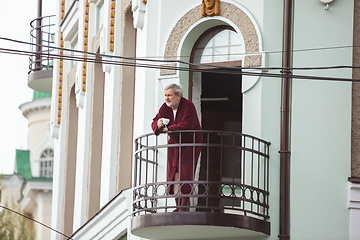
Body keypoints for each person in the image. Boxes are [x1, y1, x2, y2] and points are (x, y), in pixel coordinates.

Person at [151, 83, 203, 212]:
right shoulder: (165, 107)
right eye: (165, 95)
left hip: (190, 143)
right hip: (174, 143)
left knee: (185, 171)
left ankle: (184, 206)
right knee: (173, 172)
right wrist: (158, 125)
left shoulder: (188, 106)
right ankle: (178, 205)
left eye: (169, 95)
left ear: (178, 96)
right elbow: (155, 120)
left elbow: (187, 125)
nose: (166, 98)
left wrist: (168, 129)